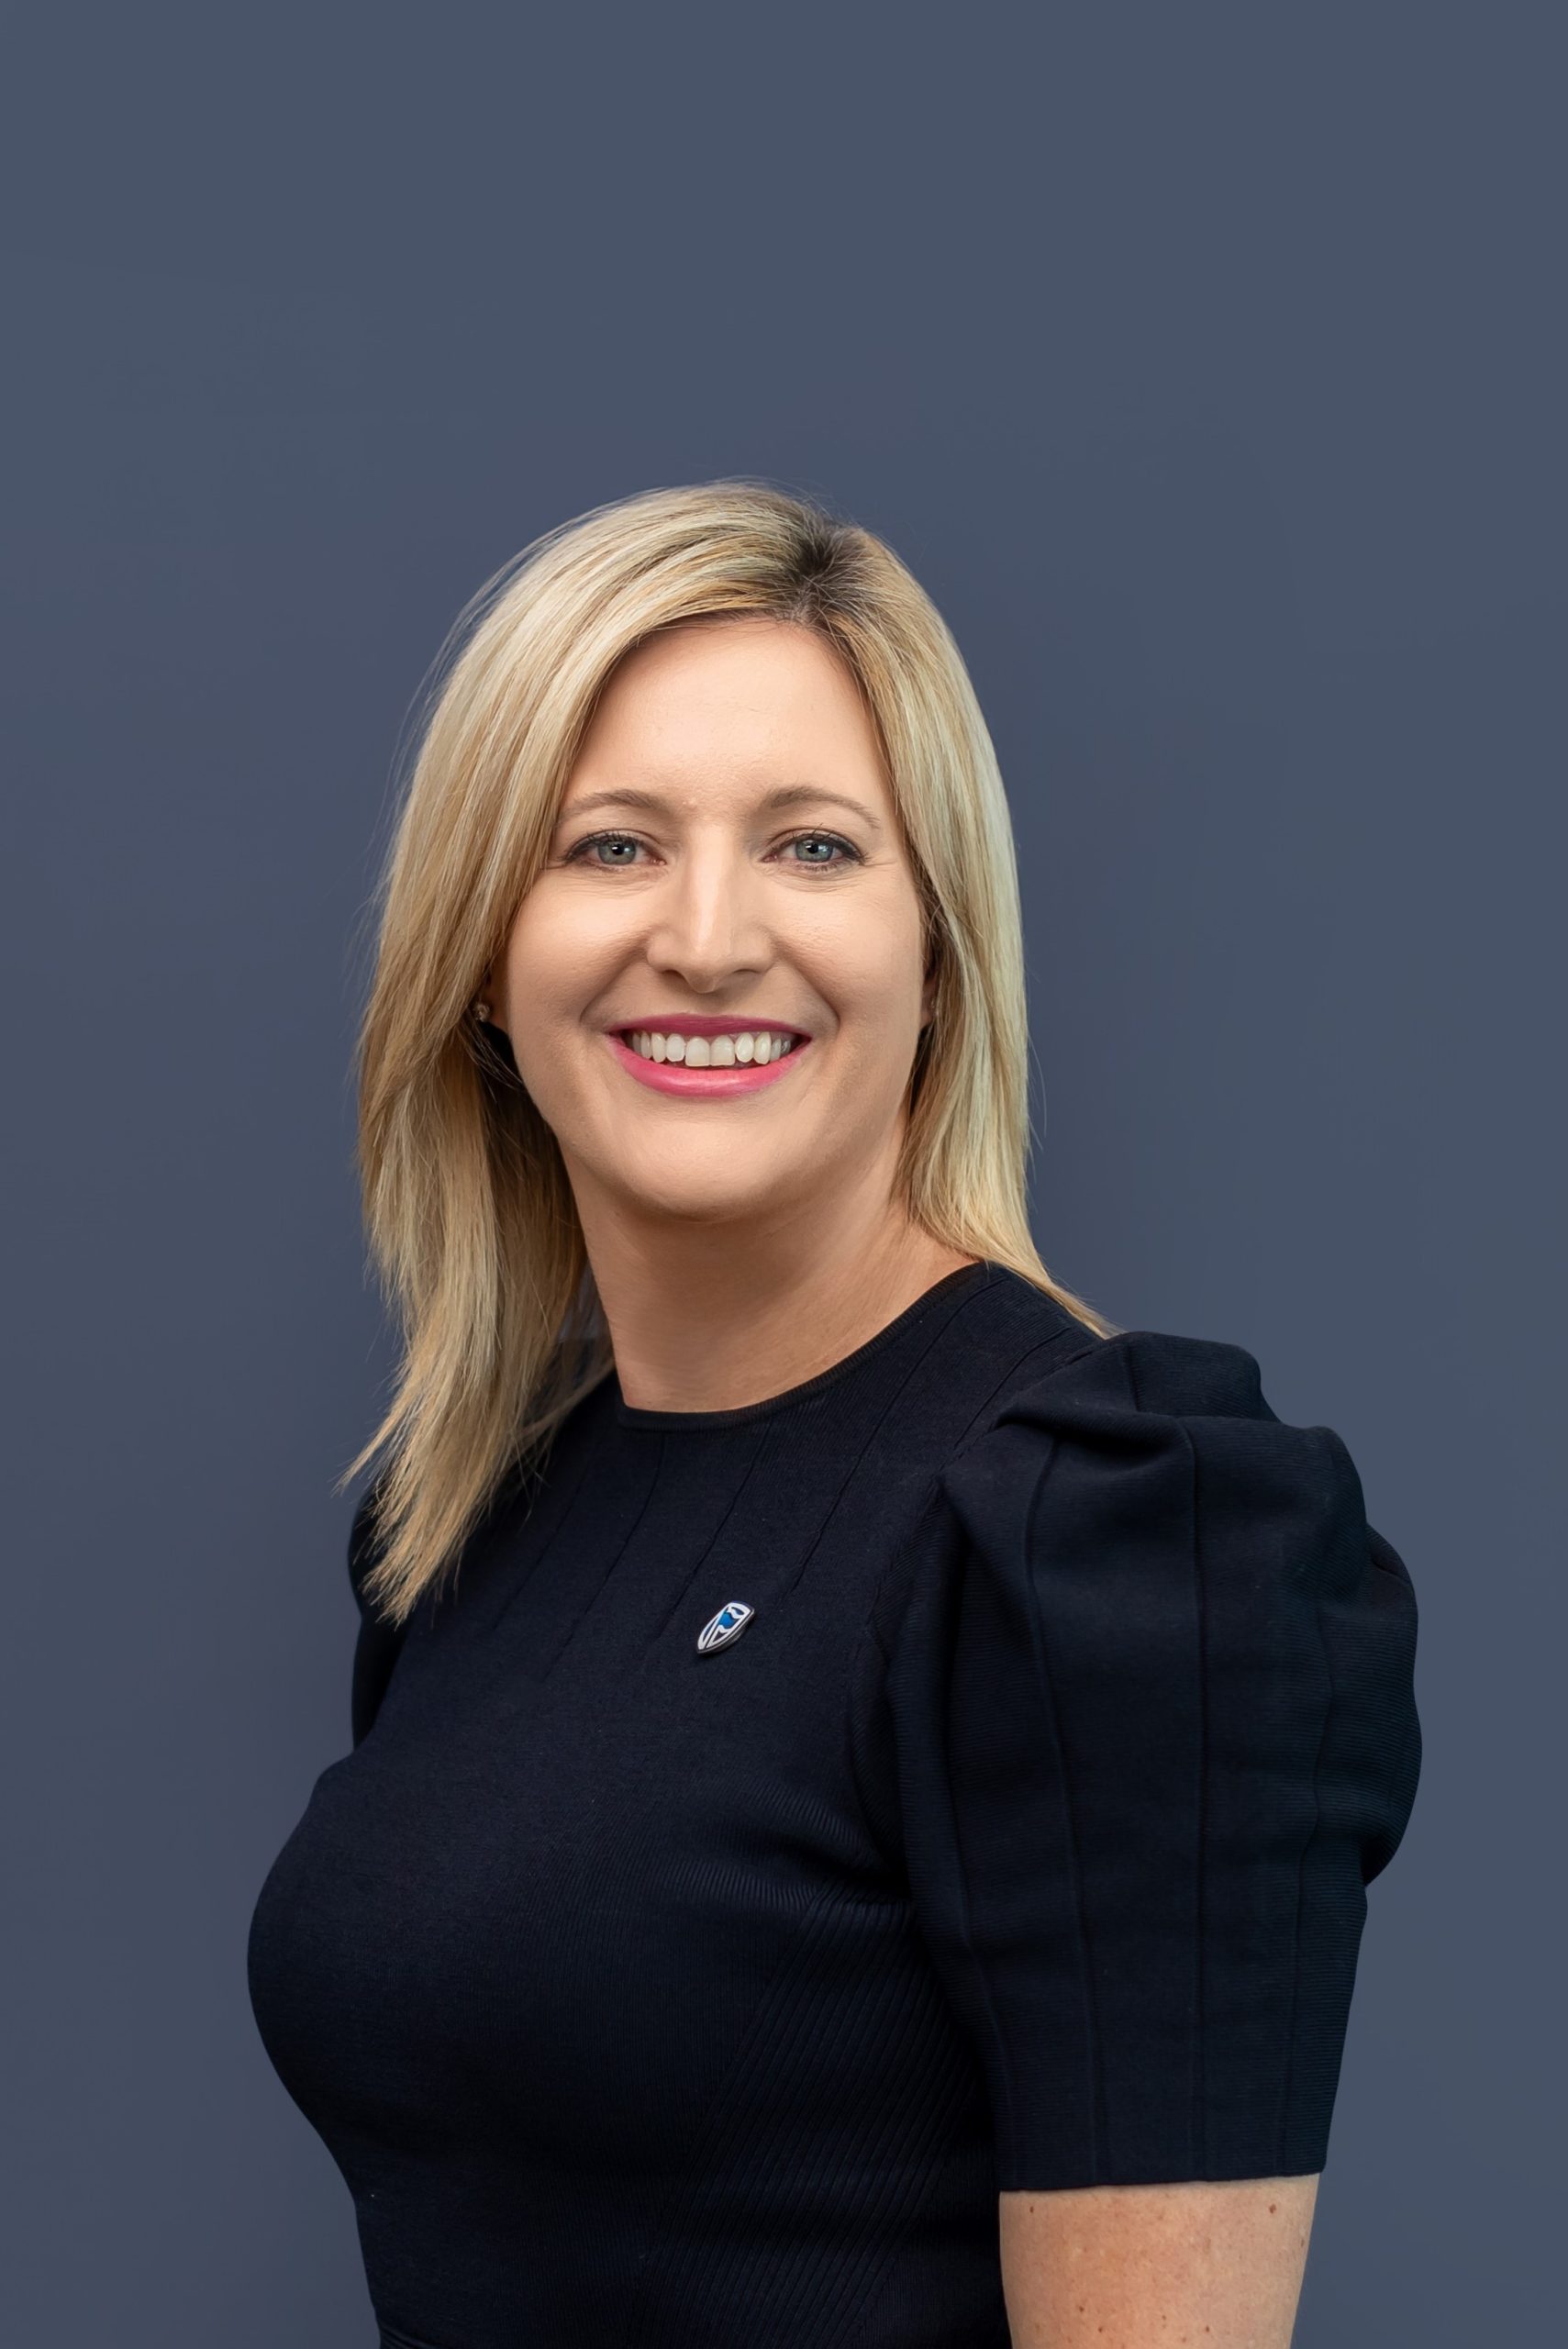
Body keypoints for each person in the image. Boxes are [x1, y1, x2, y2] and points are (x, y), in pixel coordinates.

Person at [246, 480, 1421, 2349]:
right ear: (480, 952)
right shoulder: (478, 1520)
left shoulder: (1114, 1535)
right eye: (609, 847)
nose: (709, 939)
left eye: (811, 846)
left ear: (938, 951)